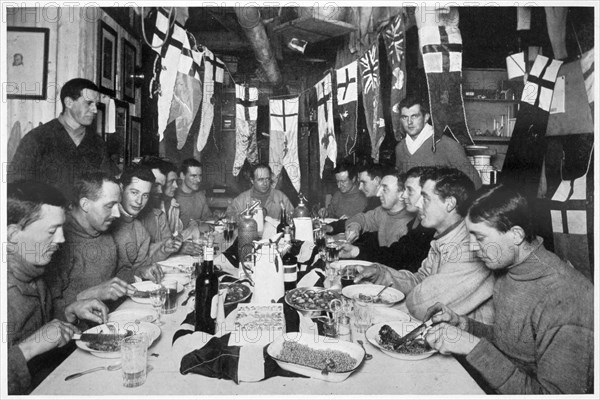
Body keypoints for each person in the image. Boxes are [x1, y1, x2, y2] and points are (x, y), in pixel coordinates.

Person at [423, 185, 593, 394]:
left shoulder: (565, 297)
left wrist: (472, 347)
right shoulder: (509, 270)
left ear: (516, 235)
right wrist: (465, 326)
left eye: (480, 237)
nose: (473, 247)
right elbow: (515, 347)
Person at [349, 167, 494, 322]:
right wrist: (381, 274)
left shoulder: (469, 248)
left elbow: (424, 305)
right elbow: (420, 280)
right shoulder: (442, 237)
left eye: (425, 198)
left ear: (450, 203)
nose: (418, 204)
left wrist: (372, 307)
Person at [7, 182, 109, 395]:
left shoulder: (34, 273)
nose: (61, 239)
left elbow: (43, 329)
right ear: (12, 235)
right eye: (52, 231)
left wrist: (69, 312)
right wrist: (28, 348)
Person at [45, 171, 136, 318]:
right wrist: (88, 295)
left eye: (117, 205)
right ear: (85, 204)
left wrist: (139, 272)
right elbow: (47, 313)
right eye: (109, 206)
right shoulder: (56, 241)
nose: (117, 214)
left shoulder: (103, 227)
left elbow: (121, 271)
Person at [8, 78, 119, 198]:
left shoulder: (97, 143)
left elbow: (107, 184)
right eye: (88, 103)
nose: (95, 110)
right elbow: (16, 185)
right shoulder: (37, 138)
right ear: (69, 102)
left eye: (96, 104)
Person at [341, 167, 436, 272]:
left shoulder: (419, 224)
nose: (405, 195)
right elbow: (395, 254)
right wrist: (355, 233)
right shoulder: (415, 222)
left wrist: (357, 251)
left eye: (409, 190)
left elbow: (397, 260)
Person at [394, 96, 482, 188]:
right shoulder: (400, 148)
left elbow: (475, 182)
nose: (409, 122)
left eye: (414, 116)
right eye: (404, 117)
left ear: (426, 117)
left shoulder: (447, 145)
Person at [111, 166, 180, 280]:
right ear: (121, 188)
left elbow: (141, 266)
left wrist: (163, 250)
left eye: (145, 195)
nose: (139, 201)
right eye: (134, 192)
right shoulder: (105, 222)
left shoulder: (139, 230)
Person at [138, 157, 202, 256]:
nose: (176, 186)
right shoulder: (138, 208)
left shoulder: (170, 206)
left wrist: (193, 228)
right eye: (171, 181)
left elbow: (173, 237)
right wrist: (176, 248)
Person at [344, 172, 414, 247]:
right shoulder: (382, 212)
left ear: (401, 195)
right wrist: (355, 226)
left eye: (385, 189)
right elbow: (362, 218)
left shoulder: (409, 226)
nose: (378, 194)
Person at [226, 163, 293, 221]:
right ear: (252, 180)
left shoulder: (281, 198)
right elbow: (230, 219)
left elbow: (292, 218)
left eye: (267, 179)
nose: (265, 183)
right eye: (260, 180)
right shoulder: (240, 200)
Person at [175, 158, 213, 229]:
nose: (198, 180)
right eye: (193, 176)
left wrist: (215, 217)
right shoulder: (174, 198)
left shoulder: (200, 196)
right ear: (182, 176)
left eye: (200, 176)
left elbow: (208, 220)